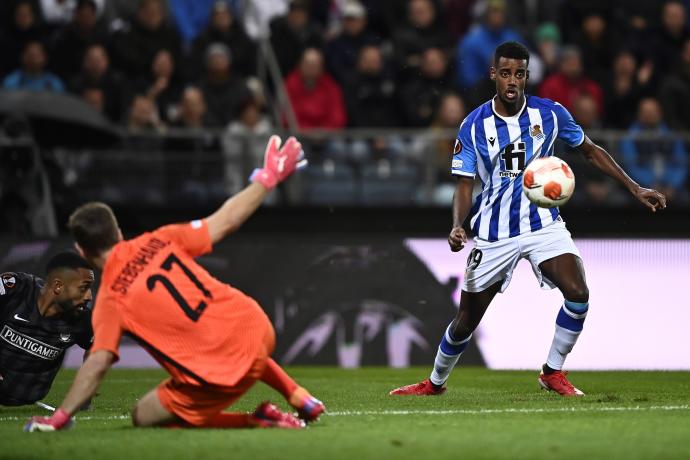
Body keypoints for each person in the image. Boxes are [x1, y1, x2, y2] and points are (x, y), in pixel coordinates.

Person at [389, 42, 666, 398]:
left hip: (543, 226)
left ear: (526, 76)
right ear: (494, 74)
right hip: (494, 232)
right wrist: (458, 225)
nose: (512, 81)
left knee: (578, 293)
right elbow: (464, 184)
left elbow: (590, 151)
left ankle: (552, 371)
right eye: (505, 73)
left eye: (519, 74)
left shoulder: (550, 114)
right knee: (465, 322)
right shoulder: (474, 125)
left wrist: (634, 187)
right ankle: (435, 382)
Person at [25, 135, 323, 432]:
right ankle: (299, 395)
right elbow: (226, 220)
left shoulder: (111, 299)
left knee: (145, 415)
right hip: (255, 325)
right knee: (230, 338)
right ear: (118, 232)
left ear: (82, 251)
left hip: (222, 371)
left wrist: (59, 418)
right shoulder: (162, 238)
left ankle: (256, 420)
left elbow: (97, 362)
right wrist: (268, 177)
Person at [1, 252, 94, 406]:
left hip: (27, 398)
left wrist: (85, 393)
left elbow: (95, 350)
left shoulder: (81, 319)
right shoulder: (15, 287)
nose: (89, 296)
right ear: (58, 287)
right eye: (83, 288)